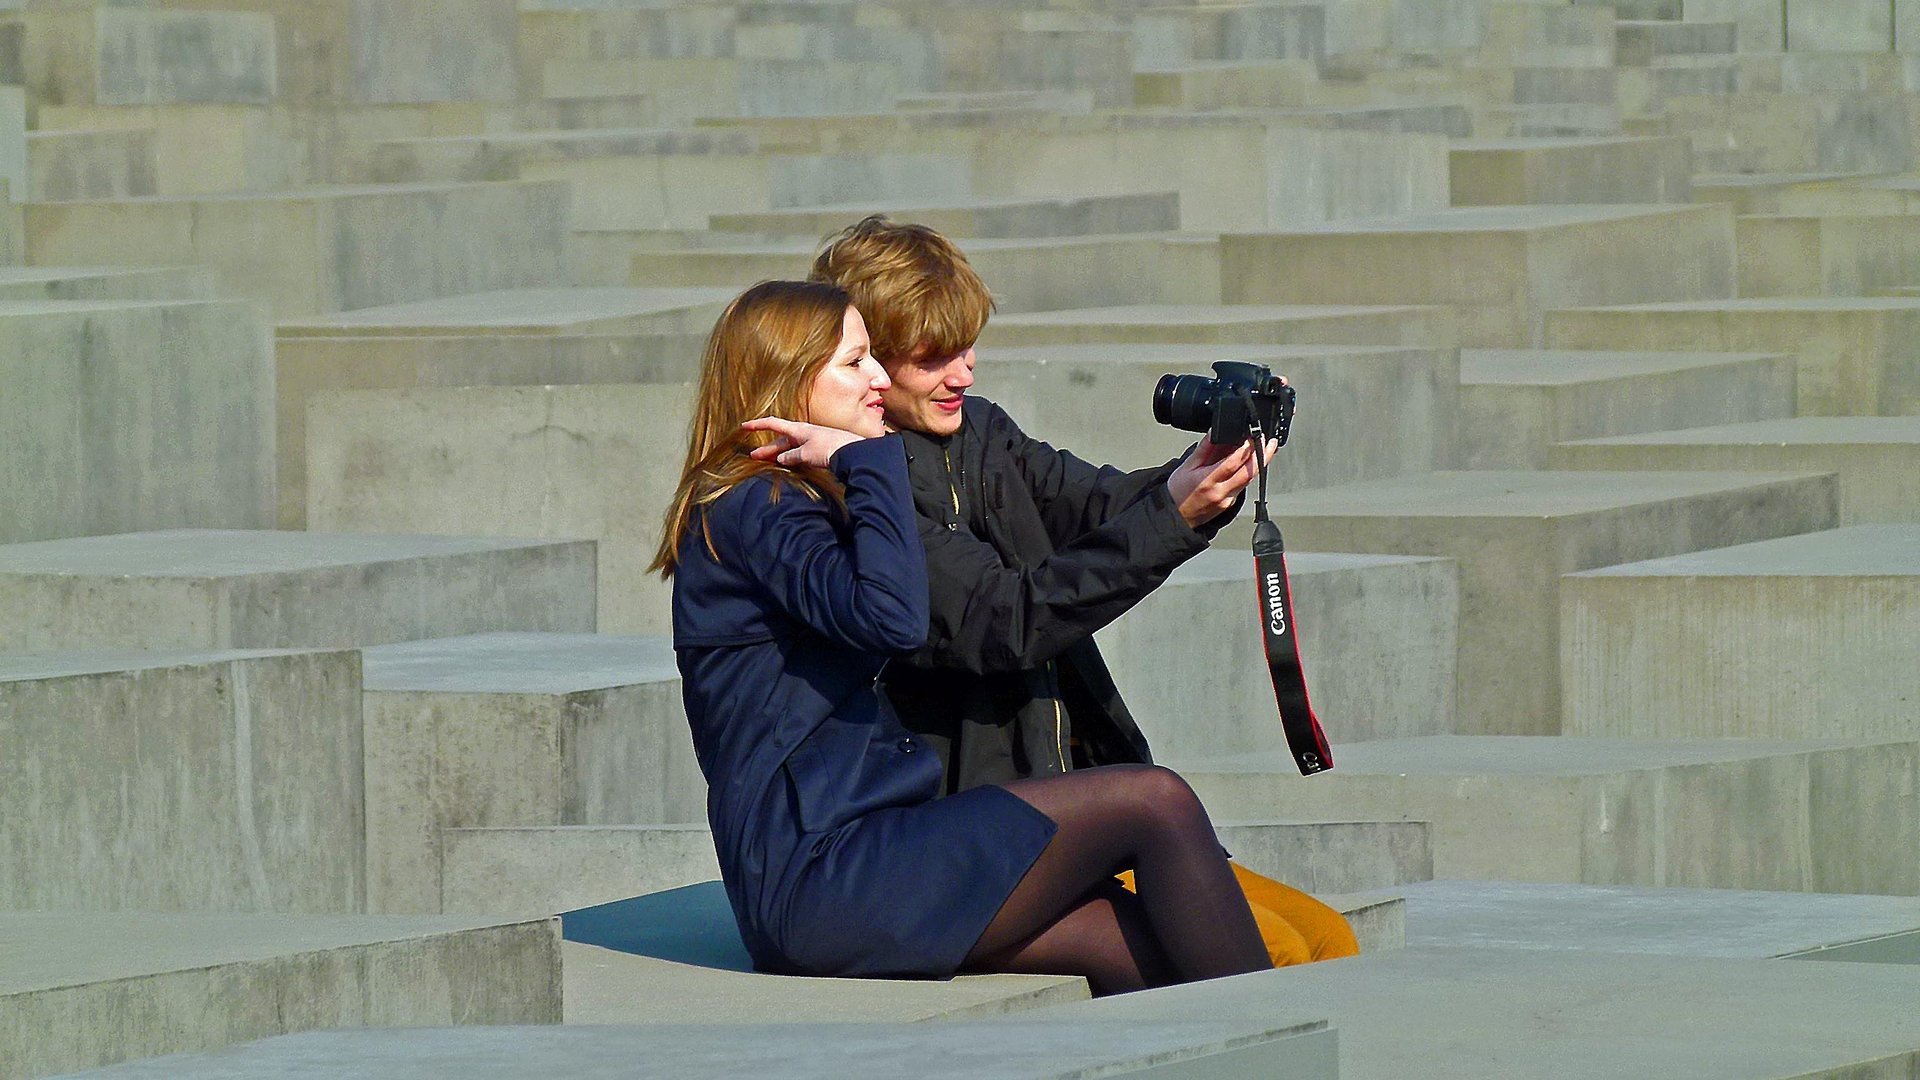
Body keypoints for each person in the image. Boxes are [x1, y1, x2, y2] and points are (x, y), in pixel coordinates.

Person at [651, 280, 1270, 993]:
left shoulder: (787, 499)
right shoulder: (753, 507)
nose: (878, 377)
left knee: (1142, 950)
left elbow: (1085, 506)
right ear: (788, 379)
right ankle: (1280, 1040)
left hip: (874, 851)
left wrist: (1205, 479)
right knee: (1153, 802)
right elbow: (893, 615)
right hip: (825, 878)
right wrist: (869, 461)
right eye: (857, 363)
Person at [808, 217, 1359, 966]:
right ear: (869, 360)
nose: (963, 374)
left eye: (968, 346)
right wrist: (1172, 517)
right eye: (933, 358)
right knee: (1281, 953)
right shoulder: (862, 492)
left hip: (1077, 798)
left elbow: (1094, 504)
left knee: (1328, 938)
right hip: (975, 835)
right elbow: (1003, 619)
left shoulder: (979, 433)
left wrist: (1205, 472)